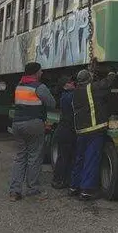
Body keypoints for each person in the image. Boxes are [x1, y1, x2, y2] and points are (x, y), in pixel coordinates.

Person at [8, 61, 55, 201]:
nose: (42, 73)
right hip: (33, 124)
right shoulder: (39, 87)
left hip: (17, 124)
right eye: (40, 71)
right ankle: (32, 189)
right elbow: (52, 103)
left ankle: (14, 191)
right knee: (34, 156)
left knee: (20, 157)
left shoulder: (19, 86)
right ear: (35, 73)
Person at [69, 68, 117, 200]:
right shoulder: (92, 89)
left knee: (80, 159)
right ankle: (87, 190)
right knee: (91, 159)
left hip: (81, 131)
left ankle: (74, 186)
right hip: (94, 131)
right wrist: (112, 73)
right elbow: (106, 84)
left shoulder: (76, 92)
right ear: (88, 80)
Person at [50, 75, 77, 189]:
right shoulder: (69, 97)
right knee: (64, 157)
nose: (73, 83)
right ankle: (58, 180)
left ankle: (62, 180)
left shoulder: (65, 96)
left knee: (65, 156)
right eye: (70, 82)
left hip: (65, 130)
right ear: (65, 86)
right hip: (67, 131)